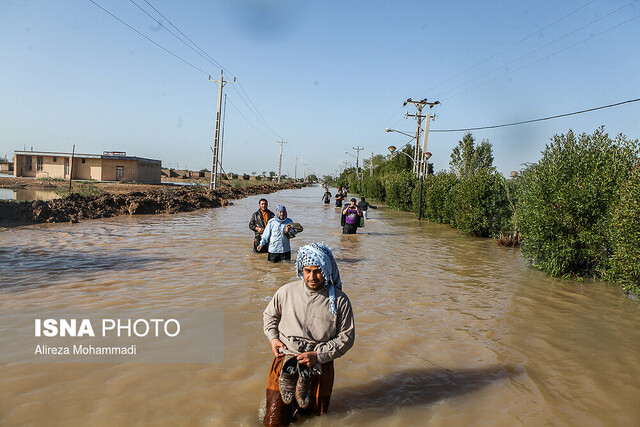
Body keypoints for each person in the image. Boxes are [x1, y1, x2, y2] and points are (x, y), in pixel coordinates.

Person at [262, 243, 355, 426]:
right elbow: (269, 316)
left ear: (327, 270)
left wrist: (317, 355)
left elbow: (347, 337)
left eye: (317, 271)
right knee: (274, 420)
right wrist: (273, 338)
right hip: (286, 360)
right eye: (307, 271)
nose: (312, 277)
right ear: (301, 270)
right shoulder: (286, 292)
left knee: (314, 419)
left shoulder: (340, 300)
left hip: (320, 364)